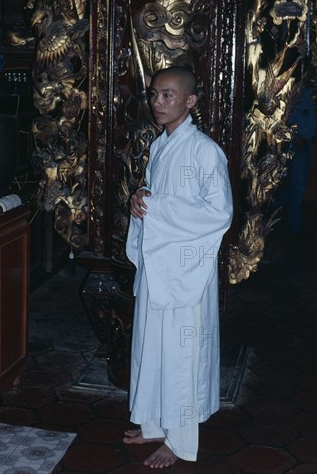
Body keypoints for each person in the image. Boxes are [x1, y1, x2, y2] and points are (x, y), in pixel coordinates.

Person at [123, 66, 233, 468]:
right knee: (151, 347)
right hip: (158, 263)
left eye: (168, 95)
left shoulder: (205, 150)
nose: (157, 103)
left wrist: (157, 207)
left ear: (190, 101)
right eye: (154, 94)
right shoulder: (160, 145)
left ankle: (181, 441)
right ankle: (154, 423)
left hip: (186, 270)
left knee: (181, 354)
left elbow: (219, 213)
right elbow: (152, 196)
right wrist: (139, 200)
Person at [281, 75, 317, 236]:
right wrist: (295, 137)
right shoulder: (293, 93)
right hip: (296, 145)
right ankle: (294, 227)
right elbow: (285, 119)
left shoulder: (306, 93)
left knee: (294, 187)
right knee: (295, 186)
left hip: (304, 144)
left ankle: (288, 223)